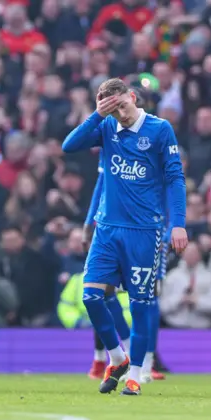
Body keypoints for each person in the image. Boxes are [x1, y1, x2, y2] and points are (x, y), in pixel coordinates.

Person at [62, 78, 188, 396]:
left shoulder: (160, 129)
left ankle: (135, 373)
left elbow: (175, 177)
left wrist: (179, 223)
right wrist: (96, 115)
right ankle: (117, 357)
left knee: (141, 303)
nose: (121, 113)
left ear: (132, 97)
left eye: (122, 105)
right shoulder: (107, 128)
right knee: (92, 296)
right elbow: (69, 146)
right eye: (112, 109)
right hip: (107, 229)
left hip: (145, 232)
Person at [82, 155, 131, 380]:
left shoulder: (146, 140)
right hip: (104, 228)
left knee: (125, 296)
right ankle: (104, 357)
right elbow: (100, 185)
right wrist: (89, 222)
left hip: (134, 227)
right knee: (98, 295)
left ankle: (127, 355)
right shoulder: (108, 146)